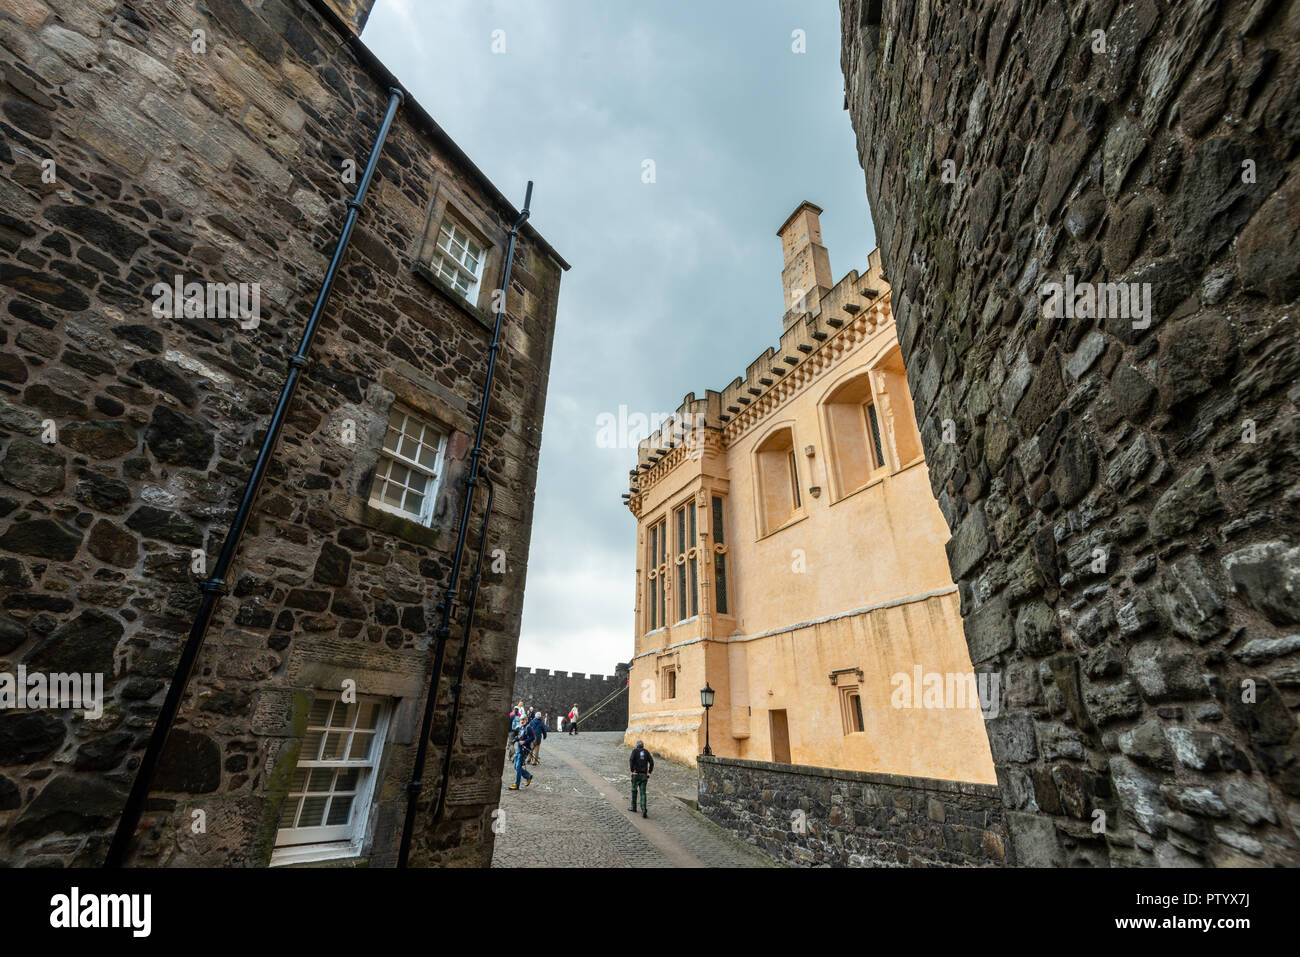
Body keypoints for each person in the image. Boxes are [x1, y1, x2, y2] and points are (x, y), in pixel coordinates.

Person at [509, 715, 538, 790]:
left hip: (524, 750)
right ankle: (528, 776)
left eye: (523, 719)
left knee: (518, 767)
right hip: (519, 749)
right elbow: (519, 736)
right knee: (515, 766)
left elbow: (532, 737)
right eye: (521, 719)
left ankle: (516, 784)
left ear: (526, 720)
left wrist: (524, 741)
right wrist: (515, 739)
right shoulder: (521, 727)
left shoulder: (528, 728)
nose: (522, 721)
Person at [629, 739, 654, 817]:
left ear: (637, 745)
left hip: (636, 775)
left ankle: (634, 807)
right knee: (643, 793)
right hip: (644, 775)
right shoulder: (646, 752)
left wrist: (632, 770)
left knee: (634, 790)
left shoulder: (635, 751)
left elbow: (631, 760)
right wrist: (649, 772)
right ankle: (644, 810)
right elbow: (652, 762)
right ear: (643, 745)